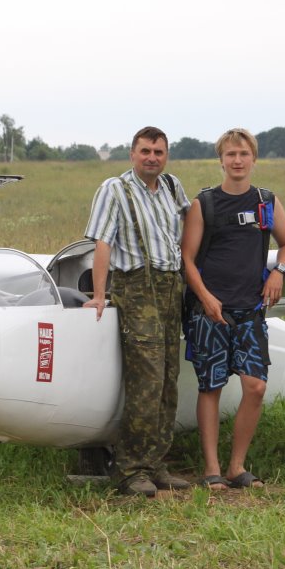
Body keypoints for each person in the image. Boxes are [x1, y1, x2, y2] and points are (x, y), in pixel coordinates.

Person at [181, 128, 285, 490]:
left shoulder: (266, 201)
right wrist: (205, 297)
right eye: (230, 154)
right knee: (211, 386)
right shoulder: (204, 204)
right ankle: (212, 469)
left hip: (250, 311)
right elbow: (187, 258)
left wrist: (278, 271)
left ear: (254, 159)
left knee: (255, 386)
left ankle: (236, 466)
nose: (237, 160)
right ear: (221, 160)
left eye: (243, 154)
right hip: (211, 312)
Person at [82, 126, 192, 497]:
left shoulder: (173, 187)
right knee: (147, 381)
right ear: (132, 154)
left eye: (158, 152)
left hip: (171, 287)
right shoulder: (114, 189)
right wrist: (100, 294)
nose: (152, 158)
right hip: (136, 288)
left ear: (166, 156)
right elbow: (102, 243)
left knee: (168, 381)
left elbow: (190, 224)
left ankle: (156, 463)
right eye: (145, 151)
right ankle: (130, 469)